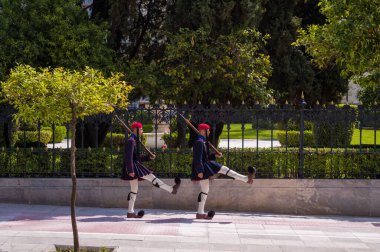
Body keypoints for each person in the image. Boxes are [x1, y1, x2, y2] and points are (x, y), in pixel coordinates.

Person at [192, 123, 256, 220]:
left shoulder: (202, 141)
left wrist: (214, 155)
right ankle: (245, 179)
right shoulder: (199, 142)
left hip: (204, 166)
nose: (209, 132)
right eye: (208, 130)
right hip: (202, 167)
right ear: (203, 131)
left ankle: (200, 213)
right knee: (223, 169)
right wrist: (200, 171)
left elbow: (205, 156)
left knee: (205, 190)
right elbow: (197, 159)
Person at [121, 121, 181, 218]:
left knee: (134, 189)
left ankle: (130, 212)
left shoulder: (134, 140)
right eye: (141, 129)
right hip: (133, 167)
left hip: (134, 165)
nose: (142, 131)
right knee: (152, 178)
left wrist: (149, 157)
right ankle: (171, 189)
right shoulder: (131, 141)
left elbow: (137, 157)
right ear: (136, 130)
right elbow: (128, 157)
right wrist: (131, 170)